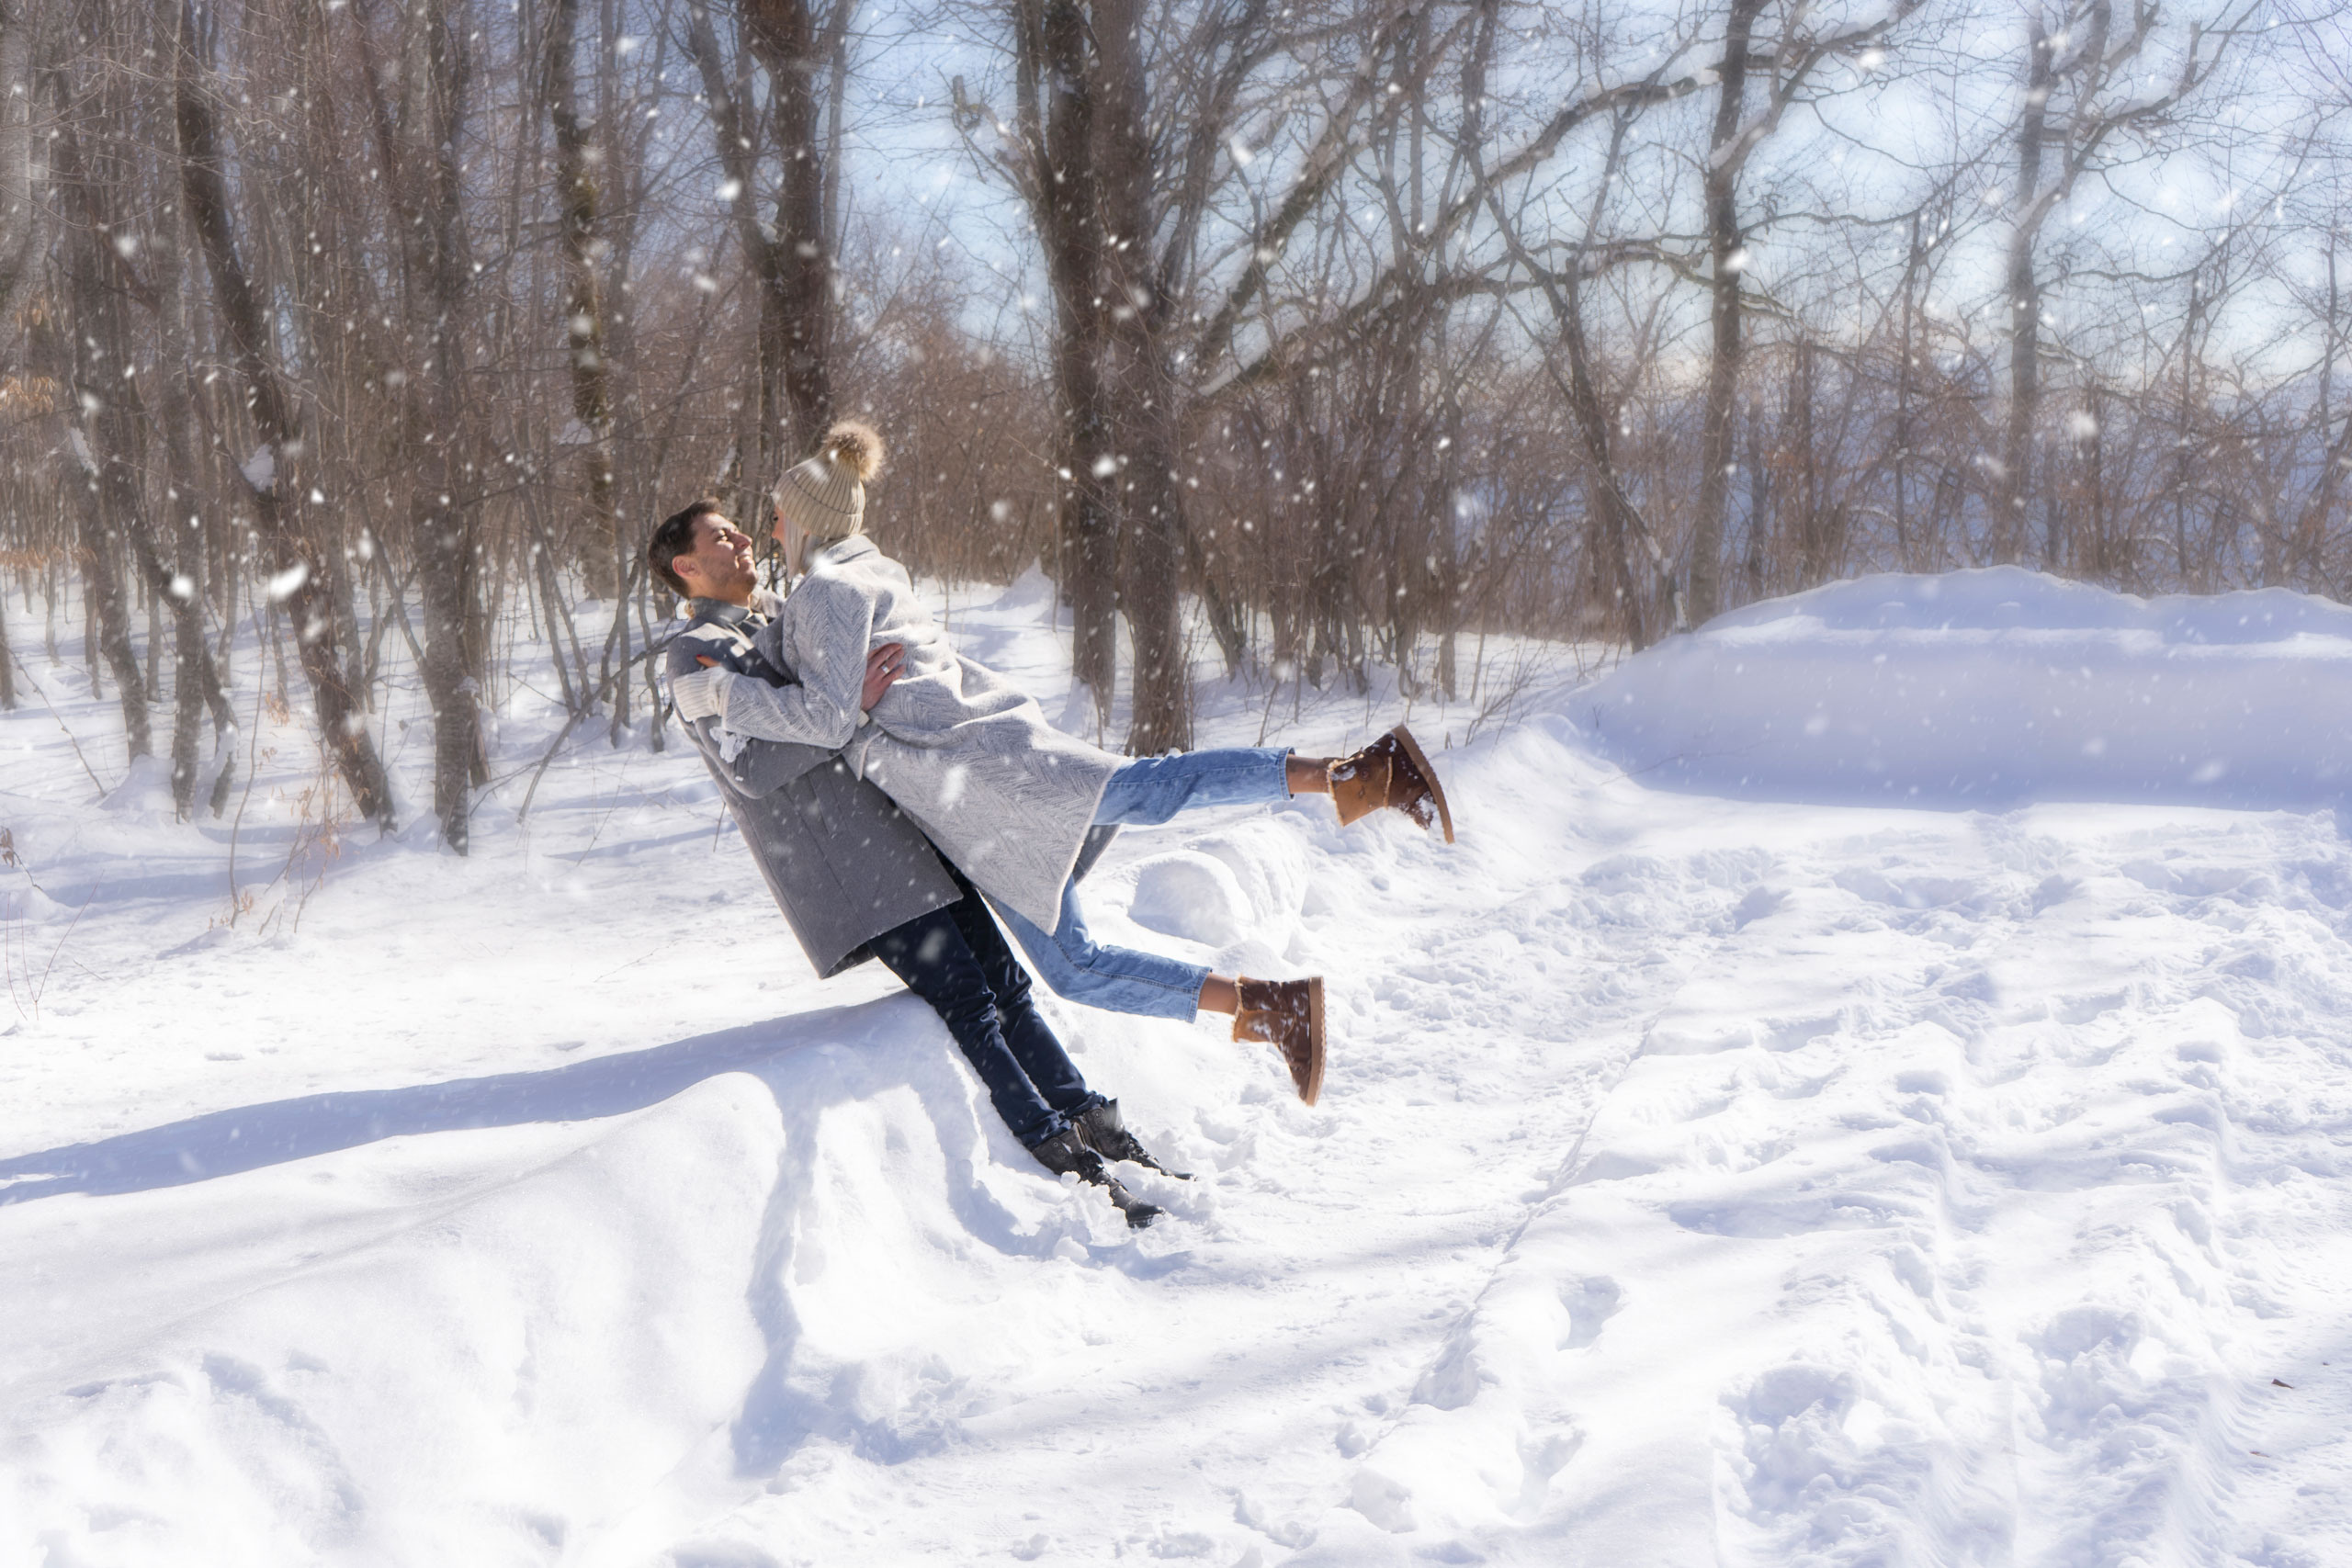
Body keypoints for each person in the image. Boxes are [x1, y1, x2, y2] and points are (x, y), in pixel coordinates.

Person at [667, 421, 1457, 1110]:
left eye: (778, 514)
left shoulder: (829, 590)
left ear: (807, 520)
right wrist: (809, 679)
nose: (769, 529)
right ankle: (1272, 1006)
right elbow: (823, 683)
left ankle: (1357, 774)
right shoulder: (858, 576)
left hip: (988, 770)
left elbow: (825, 717)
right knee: (1076, 965)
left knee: (1148, 790)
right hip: (970, 802)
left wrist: (721, 694)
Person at [650, 499, 1173, 1227]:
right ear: (686, 565)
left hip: (906, 828)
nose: (741, 537)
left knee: (1009, 986)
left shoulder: (783, 613)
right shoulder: (695, 654)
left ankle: (1102, 1129)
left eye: (738, 526)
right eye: (720, 535)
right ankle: (1068, 1161)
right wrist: (848, 709)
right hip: (853, 866)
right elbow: (752, 767)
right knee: (971, 1003)